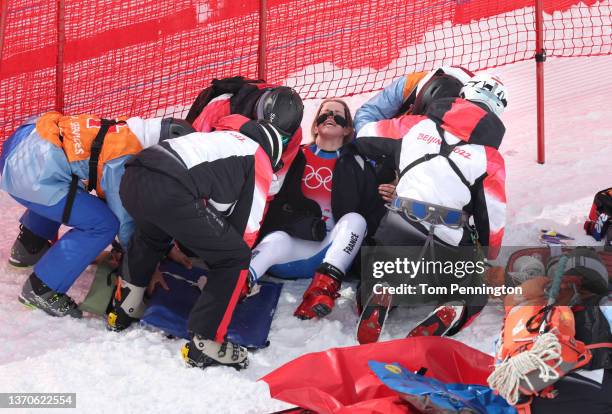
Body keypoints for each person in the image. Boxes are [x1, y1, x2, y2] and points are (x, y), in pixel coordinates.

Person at [107, 91, 304, 371]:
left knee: (154, 231)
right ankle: (206, 344)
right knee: (235, 258)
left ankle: (125, 305)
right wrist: (228, 276)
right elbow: (246, 231)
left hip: (136, 173)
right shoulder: (257, 159)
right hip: (171, 187)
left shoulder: (221, 135)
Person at [354, 73, 508, 339]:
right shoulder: (490, 158)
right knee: (474, 285)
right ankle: (456, 306)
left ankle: (381, 289)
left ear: (461, 96)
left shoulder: (416, 126)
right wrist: (486, 255)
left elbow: (366, 134)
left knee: (381, 269)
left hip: (400, 225)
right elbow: (493, 220)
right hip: (450, 237)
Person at [0, 112, 194, 317]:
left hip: (24, 147)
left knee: (64, 178)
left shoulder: (128, 132)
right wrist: (144, 264)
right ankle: (42, 289)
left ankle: (29, 246)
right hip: (27, 175)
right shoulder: (123, 158)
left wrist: (167, 245)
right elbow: (124, 219)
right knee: (103, 224)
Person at [250, 99, 386, 319]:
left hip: (333, 252)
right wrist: (298, 224)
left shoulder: (358, 162)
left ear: (347, 129)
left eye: (338, 114)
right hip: (291, 250)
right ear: (314, 126)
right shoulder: (295, 157)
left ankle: (320, 293)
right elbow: (272, 202)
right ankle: (239, 284)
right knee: (275, 239)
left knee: (356, 220)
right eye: (324, 113)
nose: (330, 116)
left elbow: (373, 211)